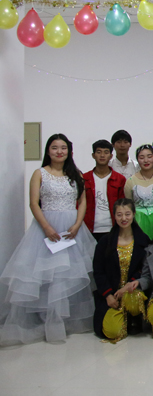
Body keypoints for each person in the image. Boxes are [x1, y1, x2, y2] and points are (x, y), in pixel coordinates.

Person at [0, 134, 96, 345]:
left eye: (63, 147)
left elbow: (83, 202)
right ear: (48, 150)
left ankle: (64, 321)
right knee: (49, 276)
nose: (59, 151)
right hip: (46, 229)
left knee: (68, 275)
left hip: (72, 230)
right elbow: (34, 203)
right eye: (54, 147)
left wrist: (78, 224)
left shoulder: (76, 174)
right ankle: (48, 322)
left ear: (69, 151)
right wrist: (46, 227)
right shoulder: (39, 173)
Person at [92, 198, 150, 342]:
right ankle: (121, 317)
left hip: (132, 291)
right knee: (112, 332)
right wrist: (108, 295)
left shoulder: (143, 240)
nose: (124, 218)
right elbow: (98, 271)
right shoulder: (105, 242)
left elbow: (144, 269)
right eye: (119, 215)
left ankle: (134, 318)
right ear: (114, 216)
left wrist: (128, 286)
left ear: (134, 214)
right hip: (112, 295)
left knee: (135, 297)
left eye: (127, 214)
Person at [83, 139, 127, 242]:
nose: (102, 155)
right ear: (93, 155)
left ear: (111, 156)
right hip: (88, 229)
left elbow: (122, 205)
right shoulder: (84, 179)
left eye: (106, 152)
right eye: (99, 152)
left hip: (112, 228)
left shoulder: (120, 179)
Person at [125, 145, 153, 241]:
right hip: (138, 220)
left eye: (149, 157)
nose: (146, 160)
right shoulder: (130, 181)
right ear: (137, 160)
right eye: (142, 157)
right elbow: (129, 205)